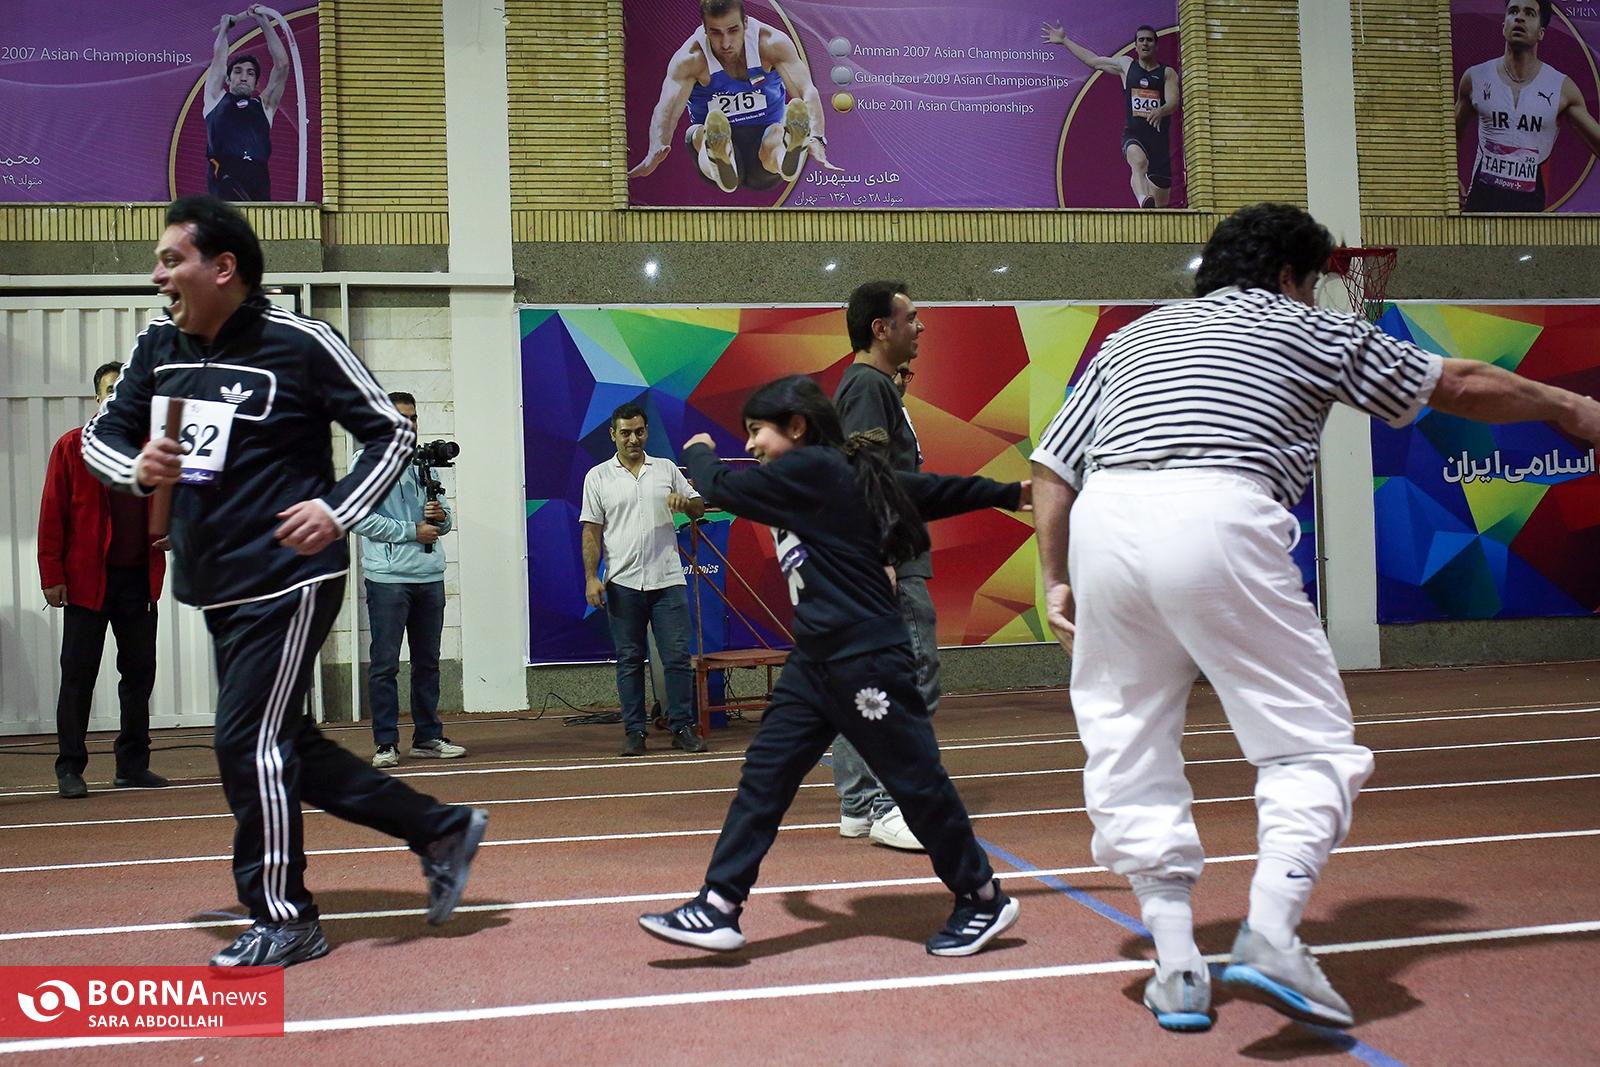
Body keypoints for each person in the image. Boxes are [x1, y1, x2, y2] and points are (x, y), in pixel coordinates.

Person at [1029, 201, 1600, 1033]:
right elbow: (1460, 383)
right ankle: (1271, 927)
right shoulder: (1303, 324)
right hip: (1218, 508)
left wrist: (1055, 578)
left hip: (1104, 522)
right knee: (1309, 744)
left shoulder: (1132, 338)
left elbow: (1051, 466)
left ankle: (1178, 964)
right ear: (1290, 276)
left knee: (1126, 738)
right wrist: (1569, 408)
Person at [82, 195, 487, 968]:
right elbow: (102, 433)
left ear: (222, 267)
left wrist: (337, 510)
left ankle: (285, 914)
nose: (157, 274)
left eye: (171, 259)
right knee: (286, 741)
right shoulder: (157, 345)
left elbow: (390, 433)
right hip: (217, 580)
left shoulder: (302, 342)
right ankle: (439, 827)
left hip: (292, 574)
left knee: (247, 741)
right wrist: (134, 466)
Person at [639, 375, 1030, 957]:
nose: (750, 444)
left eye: (757, 430)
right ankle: (719, 905)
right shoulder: (837, 478)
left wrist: (696, 452)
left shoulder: (811, 467)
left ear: (796, 427)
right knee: (765, 776)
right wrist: (1007, 492)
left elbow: (723, 486)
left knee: (915, 782)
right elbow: (924, 490)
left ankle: (982, 896)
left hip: (866, 657)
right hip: (816, 662)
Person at [824, 281, 935, 852]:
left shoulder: (870, 387)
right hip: (891, 561)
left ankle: (859, 804)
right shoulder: (869, 387)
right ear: (881, 328)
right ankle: (891, 805)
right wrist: (885, 557)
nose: (921, 326)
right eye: (911, 318)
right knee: (909, 679)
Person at [38, 362, 169, 800]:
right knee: (78, 677)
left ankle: (132, 766)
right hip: (85, 583)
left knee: (138, 676)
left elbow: (178, 505)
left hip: (138, 582)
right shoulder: (71, 447)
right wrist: (52, 575)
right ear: (97, 398)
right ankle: (70, 768)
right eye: (110, 389)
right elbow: (51, 515)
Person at [580, 403, 709, 756]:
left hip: (667, 580)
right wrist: (591, 577)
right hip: (622, 583)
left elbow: (699, 507)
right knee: (630, 660)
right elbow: (591, 531)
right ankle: (635, 731)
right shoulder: (597, 477)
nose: (633, 439)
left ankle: (681, 727)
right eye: (625, 433)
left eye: (638, 432)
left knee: (677, 658)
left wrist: (686, 503)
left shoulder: (666, 469)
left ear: (647, 432)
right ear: (613, 434)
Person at [351, 391, 465, 769]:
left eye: (413, 418)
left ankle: (427, 737)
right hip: (388, 579)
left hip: (429, 575)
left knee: (427, 663)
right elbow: (358, 517)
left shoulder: (425, 461)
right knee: (385, 664)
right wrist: (411, 531)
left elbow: (443, 519)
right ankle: (386, 743)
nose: (409, 424)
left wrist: (440, 518)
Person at [628, 0, 840, 192]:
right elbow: (667, 110)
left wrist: (816, 137)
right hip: (717, 139)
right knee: (699, 134)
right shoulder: (691, 58)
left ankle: (785, 156)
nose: (726, 43)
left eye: (732, 30)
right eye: (716, 32)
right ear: (704, 28)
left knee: (778, 129)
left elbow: (806, 90)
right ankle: (719, 160)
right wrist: (655, 149)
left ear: (745, 23)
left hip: (765, 144)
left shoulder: (770, 43)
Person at [1456, 0, 1600, 212]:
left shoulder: (1561, 88)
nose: (1519, 18)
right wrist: (1449, 178)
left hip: (1530, 214)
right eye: (1513, 11)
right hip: (1479, 208)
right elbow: (1447, 138)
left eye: (1529, 13)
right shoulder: (1475, 77)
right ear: (1503, 25)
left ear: (1541, 33)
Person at [1042, 22, 1180, 208]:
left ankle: (1151, 209)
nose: (1145, 43)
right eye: (1141, 40)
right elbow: (1093, 61)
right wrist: (1065, 40)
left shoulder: (1167, 73)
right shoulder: (1126, 65)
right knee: (1138, 162)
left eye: (1149, 40)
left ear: (1156, 45)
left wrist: (1161, 110)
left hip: (1159, 143)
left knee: (1162, 204)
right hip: (1134, 135)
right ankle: (1143, 200)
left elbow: (1173, 102)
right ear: (1136, 45)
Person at [204, 4, 289, 201]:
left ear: (257, 83)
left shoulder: (265, 106)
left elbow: (282, 66)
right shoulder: (215, 99)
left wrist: (263, 21)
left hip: (258, 191)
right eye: (238, 71)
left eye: (250, 73)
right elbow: (219, 58)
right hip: (225, 189)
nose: (243, 77)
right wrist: (224, 29)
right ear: (228, 78)